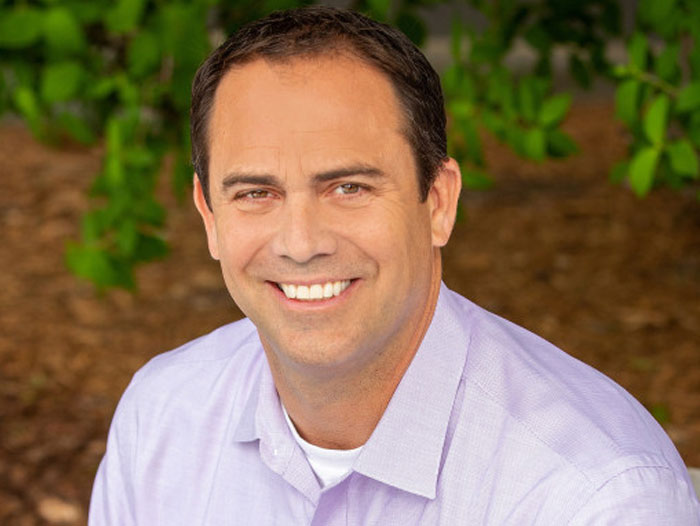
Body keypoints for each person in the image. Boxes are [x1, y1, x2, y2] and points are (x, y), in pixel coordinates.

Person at [89, 6, 700, 524]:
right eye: (256, 193)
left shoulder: (594, 498)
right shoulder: (161, 417)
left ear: (438, 202)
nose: (300, 243)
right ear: (209, 216)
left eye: (348, 187)